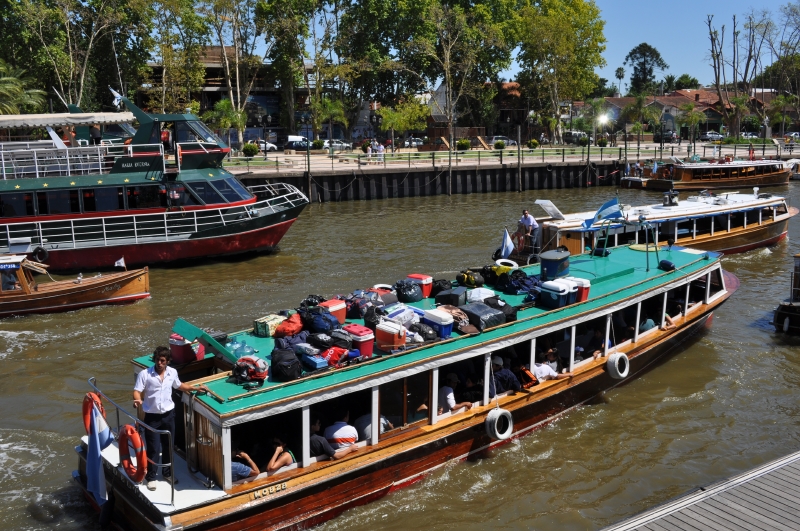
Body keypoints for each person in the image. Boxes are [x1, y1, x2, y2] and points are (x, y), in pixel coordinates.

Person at [133, 346, 209, 490]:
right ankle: (151, 477)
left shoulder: (172, 372)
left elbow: (179, 385)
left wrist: (195, 388)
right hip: (152, 418)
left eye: (162, 360)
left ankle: (167, 473)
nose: (159, 363)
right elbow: (137, 391)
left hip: (169, 416)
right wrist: (137, 400)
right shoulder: (145, 374)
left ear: (168, 361)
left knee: (169, 446)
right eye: (157, 360)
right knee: (154, 448)